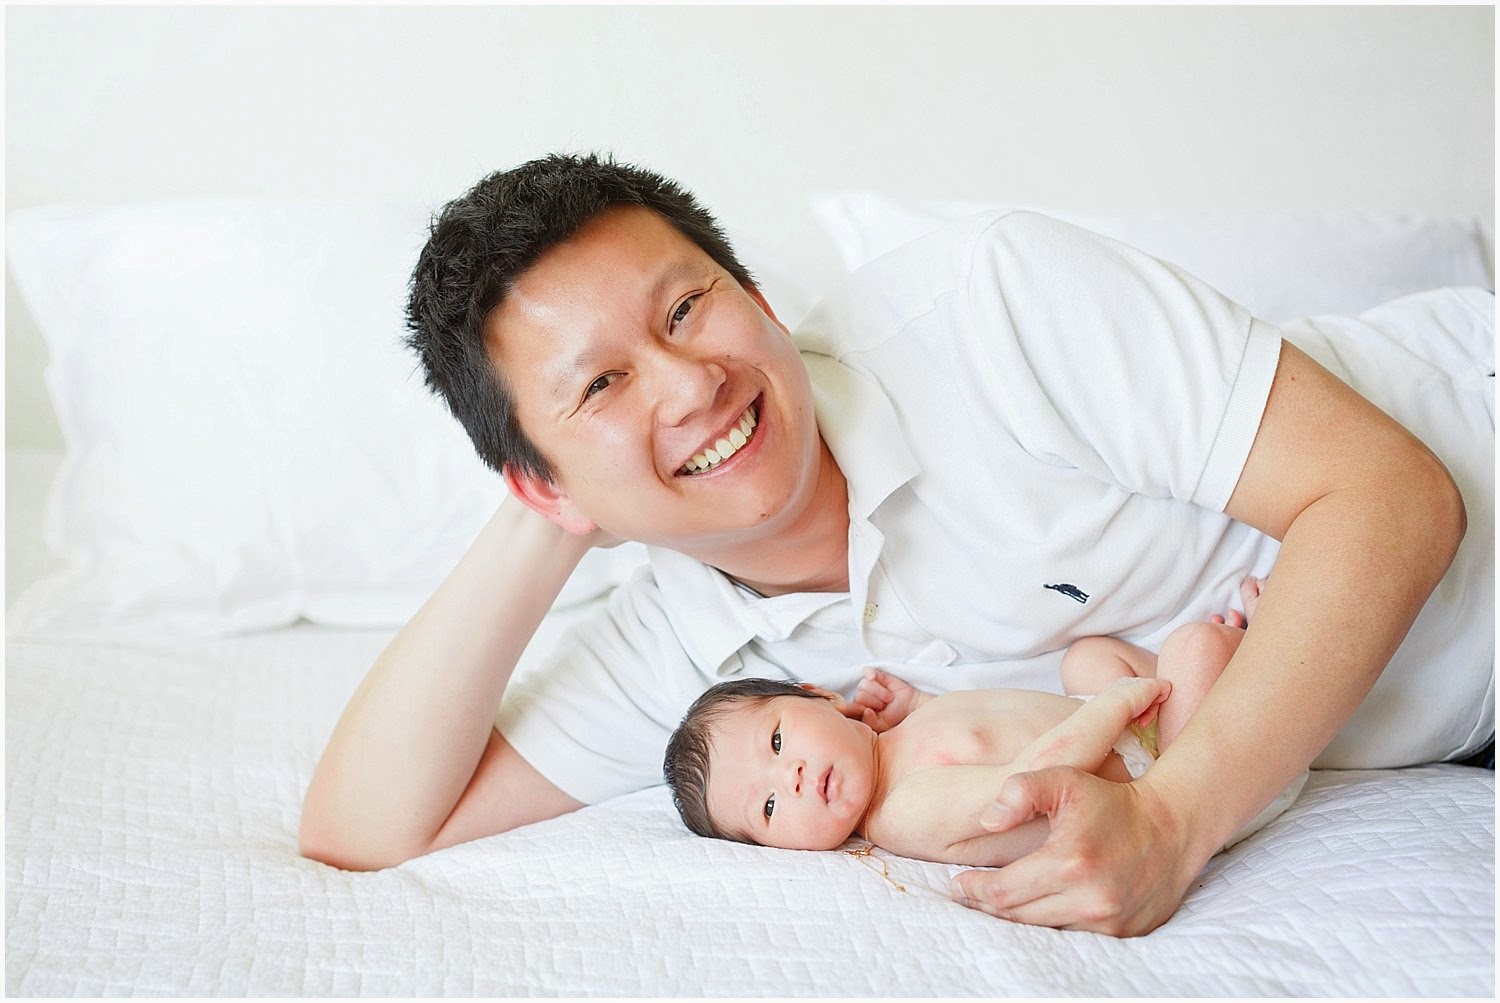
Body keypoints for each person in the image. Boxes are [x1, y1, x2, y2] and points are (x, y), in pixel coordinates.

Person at [299, 152, 1493, 937]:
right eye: (603, 382)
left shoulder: (991, 304)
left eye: (687, 309)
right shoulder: (694, 643)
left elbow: (1393, 498)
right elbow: (363, 826)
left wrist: (1175, 822)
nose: (692, 383)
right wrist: (563, 503)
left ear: (756, 293)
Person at [665, 589, 1305, 865]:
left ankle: (1233, 676)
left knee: (1087, 655)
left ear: (818, 696)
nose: (795, 777)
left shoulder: (899, 752)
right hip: (1189, 794)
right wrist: (1112, 706)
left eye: (777, 742)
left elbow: (975, 726)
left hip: (1140, 751)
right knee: (1192, 646)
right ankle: (1274, 640)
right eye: (772, 806)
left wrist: (912, 708)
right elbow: (1029, 780)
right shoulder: (900, 813)